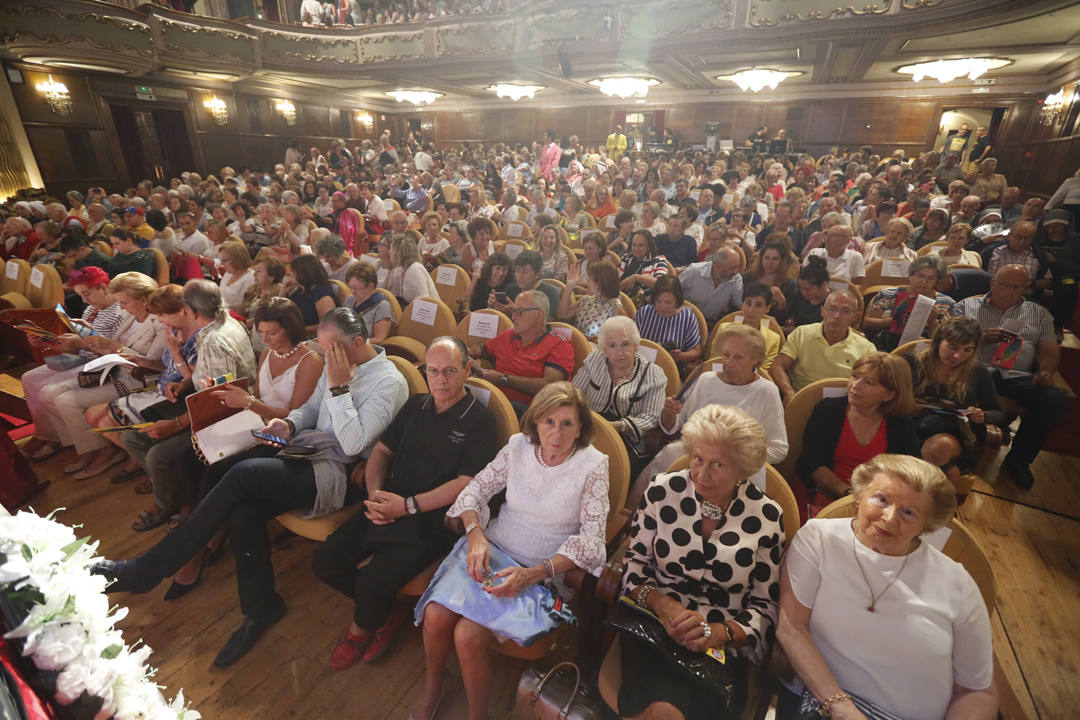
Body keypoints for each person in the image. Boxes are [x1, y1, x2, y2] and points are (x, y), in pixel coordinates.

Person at [94, 307, 409, 667]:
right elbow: (309, 410)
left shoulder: (389, 381)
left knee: (245, 474)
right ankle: (261, 608)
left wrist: (338, 385)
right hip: (309, 450)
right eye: (323, 350)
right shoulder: (337, 364)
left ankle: (149, 567)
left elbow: (353, 444)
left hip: (344, 471)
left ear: (357, 343)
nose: (326, 357)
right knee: (243, 510)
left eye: (333, 350)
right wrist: (288, 424)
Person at [413, 382, 609, 720]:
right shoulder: (518, 447)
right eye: (548, 421)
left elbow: (593, 539)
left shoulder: (593, 465)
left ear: (581, 427)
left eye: (567, 423)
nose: (556, 433)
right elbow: (476, 490)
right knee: (434, 615)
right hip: (493, 548)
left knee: (467, 635)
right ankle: (434, 684)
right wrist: (476, 537)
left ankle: (478, 715)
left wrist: (533, 574)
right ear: (534, 422)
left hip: (542, 570)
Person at [314, 337, 496, 670]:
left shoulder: (480, 421)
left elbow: (464, 484)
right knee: (325, 561)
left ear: (467, 370)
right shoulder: (416, 405)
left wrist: (406, 507)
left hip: (432, 518)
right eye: (433, 371)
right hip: (389, 502)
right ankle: (386, 610)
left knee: (372, 580)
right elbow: (383, 451)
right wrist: (374, 495)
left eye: (450, 371)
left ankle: (360, 629)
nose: (440, 380)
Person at [778, 454, 997, 719]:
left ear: (925, 525)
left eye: (908, 512)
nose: (890, 517)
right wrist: (842, 708)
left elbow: (977, 690)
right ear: (859, 496)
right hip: (832, 706)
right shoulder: (819, 539)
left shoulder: (957, 582)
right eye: (881, 499)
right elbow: (791, 627)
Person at [620, 404, 783, 720]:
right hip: (653, 627)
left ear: (743, 468)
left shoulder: (766, 517)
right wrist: (663, 605)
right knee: (661, 710)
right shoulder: (662, 492)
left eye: (718, 464)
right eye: (698, 459)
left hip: (723, 644)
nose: (702, 474)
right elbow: (634, 565)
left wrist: (719, 633)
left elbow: (765, 606)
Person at [163, 297, 325, 599]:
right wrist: (226, 389)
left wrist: (248, 402)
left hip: (285, 437)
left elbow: (296, 417)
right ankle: (203, 527)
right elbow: (258, 396)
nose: (264, 339)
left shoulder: (310, 362)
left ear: (290, 328)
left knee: (219, 471)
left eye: (272, 333)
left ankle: (196, 547)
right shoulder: (266, 353)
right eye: (261, 332)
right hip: (256, 425)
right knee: (186, 458)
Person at [120, 279, 258, 532]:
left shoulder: (214, 339)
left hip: (230, 416)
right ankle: (176, 493)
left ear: (189, 310)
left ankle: (170, 504)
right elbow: (211, 378)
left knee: (157, 455)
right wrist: (185, 384)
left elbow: (219, 401)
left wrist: (175, 425)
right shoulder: (224, 322)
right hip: (210, 403)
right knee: (133, 437)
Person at [47, 272, 166, 480]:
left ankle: (108, 452)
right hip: (113, 371)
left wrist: (113, 346)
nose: (120, 307)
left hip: (139, 381)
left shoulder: (160, 323)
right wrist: (90, 339)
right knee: (52, 393)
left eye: (124, 302)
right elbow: (113, 345)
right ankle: (96, 450)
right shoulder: (131, 316)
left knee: (66, 401)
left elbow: (153, 364)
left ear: (143, 299)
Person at [957, 264, 1066, 490]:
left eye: (1017, 287)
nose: (1009, 291)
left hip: (1015, 375)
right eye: (1005, 284)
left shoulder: (1039, 314)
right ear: (993, 283)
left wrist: (1046, 370)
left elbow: (1048, 349)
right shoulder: (966, 306)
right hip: (974, 370)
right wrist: (981, 338)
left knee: (1053, 399)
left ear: (1026, 289)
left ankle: (1019, 461)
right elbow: (948, 343)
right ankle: (963, 452)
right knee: (963, 390)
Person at [650, 323, 787, 487]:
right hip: (691, 457)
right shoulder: (706, 380)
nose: (728, 362)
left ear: (755, 361)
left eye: (738, 357)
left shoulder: (767, 391)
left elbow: (779, 449)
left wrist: (734, 457)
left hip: (738, 470)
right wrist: (670, 413)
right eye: (726, 355)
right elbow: (676, 426)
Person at [18, 267, 127, 462]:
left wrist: (81, 343)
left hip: (101, 364)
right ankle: (48, 435)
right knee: (29, 377)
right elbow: (79, 346)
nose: (84, 300)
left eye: (87, 294)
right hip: (83, 358)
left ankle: (76, 443)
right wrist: (49, 342)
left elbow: (115, 350)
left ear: (103, 287)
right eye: (80, 295)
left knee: (48, 390)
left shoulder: (120, 310)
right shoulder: (91, 309)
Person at [794, 352, 919, 514]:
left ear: (889, 395)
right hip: (819, 493)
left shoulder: (900, 423)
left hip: (876, 502)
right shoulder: (828, 410)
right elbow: (811, 463)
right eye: (854, 376)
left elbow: (912, 470)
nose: (855, 385)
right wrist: (849, 494)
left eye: (868, 382)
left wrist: (874, 499)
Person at [905, 317, 1003, 493]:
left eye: (968, 350)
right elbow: (886, 396)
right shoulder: (913, 362)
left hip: (955, 433)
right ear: (938, 341)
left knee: (939, 446)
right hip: (911, 425)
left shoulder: (978, 371)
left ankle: (908, 499)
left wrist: (982, 416)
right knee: (949, 474)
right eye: (952, 347)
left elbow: (999, 414)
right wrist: (904, 404)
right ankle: (929, 508)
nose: (958, 356)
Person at [572, 316, 666, 474]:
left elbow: (652, 417)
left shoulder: (653, 374)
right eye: (612, 346)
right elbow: (573, 393)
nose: (620, 352)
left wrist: (619, 426)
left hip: (626, 440)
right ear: (604, 349)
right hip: (588, 428)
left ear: (636, 346)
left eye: (625, 344)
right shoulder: (595, 360)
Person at [469, 290, 574, 414]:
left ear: (539, 315)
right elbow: (482, 349)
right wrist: (467, 351)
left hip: (530, 412)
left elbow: (549, 387)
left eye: (519, 312)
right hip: (494, 402)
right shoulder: (508, 335)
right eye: (513, 311)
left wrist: (504, 379)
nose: (513, 317)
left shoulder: (559, 344)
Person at [771, 289, 875, 405]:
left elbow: (869, 383)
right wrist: (788, 392)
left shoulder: (866, 348)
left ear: (856, 316)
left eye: (845, 311)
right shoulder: (802, 333)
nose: (836, 316)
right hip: (801, 400)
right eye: (832, 309)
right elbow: (777, 365)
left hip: (842, 405)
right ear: (822, 311)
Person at [863, 255, 958, 350]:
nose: (924, 281)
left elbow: (947, 341)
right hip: (885, 345)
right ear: (911, 276)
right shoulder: (889, 295)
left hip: (923, 351)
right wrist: (893, 321)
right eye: (920, 276)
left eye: (931, 278)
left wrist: (932, 322)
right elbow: (867, 324)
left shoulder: (946, 303)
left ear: (937, 281)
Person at [634, 276, 702, 371]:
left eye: (668, 302)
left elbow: (696, 351)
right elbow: (631, 339)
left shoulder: (688, 318)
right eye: (659, 301)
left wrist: (680, 356)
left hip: (670, 369)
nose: (662, 307)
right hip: (640, 365)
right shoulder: (645, 312)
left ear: (677, 301)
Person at [713, 282, 783, 371]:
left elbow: (764, 371)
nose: (751, 310)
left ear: (767, 308)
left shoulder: (773, 339)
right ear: (742, 304)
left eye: (758, 305)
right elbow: (714, 361)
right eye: (748, 303)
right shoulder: (724, 329)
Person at [677, 245, 744, 325]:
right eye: (732, 268)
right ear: (718, 266)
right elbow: (672, 291)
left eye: (738, 266)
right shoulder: (694, 271)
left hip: (709, 324)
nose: (736, 271)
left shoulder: (736, 279)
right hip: (681, 319)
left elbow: (740, 307)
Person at [557, 261, 622, 340]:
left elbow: (625, 336)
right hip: (577, 344)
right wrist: (570, 286)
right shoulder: (586, 300)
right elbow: (562, 314)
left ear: (600, 283)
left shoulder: (615, 307)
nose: (587, 281)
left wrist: (602, 339)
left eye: (590, 279)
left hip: (596, 349)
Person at [285, 254, 339, 330]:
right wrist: (283, 293)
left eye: (293, 272)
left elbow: (327, 326)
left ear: (303, 273)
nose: (290, 274)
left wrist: (299, 331)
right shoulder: (300, 290)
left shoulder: (322, 295)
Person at [344, 262, 393, 344]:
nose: (353, 292)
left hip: (367, 350)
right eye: (351, 287)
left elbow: (379, 339)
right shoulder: (350, 300)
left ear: (370, 286)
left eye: (357, 288)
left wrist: (351, 343)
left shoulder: (382, 306)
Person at [385, 232, 439, 304]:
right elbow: (393, 296)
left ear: (398, 252)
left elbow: (424, 302)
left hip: (428, 312)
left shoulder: (415, 269)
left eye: (391, 248)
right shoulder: (400, 269)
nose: (389, 252)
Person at [782, 255, 831, 332]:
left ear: (823, 285)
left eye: (808, 289)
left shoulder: (832, 304)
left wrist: (795, 330)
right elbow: (788, 314)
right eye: (801, 288)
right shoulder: (799, 294)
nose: (803, 292)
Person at [617, 229, 670, 302]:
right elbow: (616, 280)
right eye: (634, 244)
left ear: (649, 246)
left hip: (645, 303)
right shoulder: (626, 258)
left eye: (641, 245)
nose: (636, 249)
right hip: (621, 299)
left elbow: (662, 285)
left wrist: (636, 277)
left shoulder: (659, 260)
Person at [217, 240, 255, 312]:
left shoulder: (250, 277)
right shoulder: (229, 272)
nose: (221, 264)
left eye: (225, 260)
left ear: (237, 259)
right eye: (221, 260)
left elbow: (242, 306)